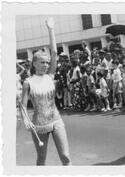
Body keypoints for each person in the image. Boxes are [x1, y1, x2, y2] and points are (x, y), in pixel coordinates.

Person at [19, 18, 71, 165]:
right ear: (34, 63)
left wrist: (51, 30)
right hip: (39, 125)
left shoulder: (50, 76)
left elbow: (54, 52)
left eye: (47, 62)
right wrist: (25, 121)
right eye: (42, 62)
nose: (46, 65)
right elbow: (22, 106)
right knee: (41, 159)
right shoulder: (28, 83)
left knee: (66, 157)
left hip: (56, 121)